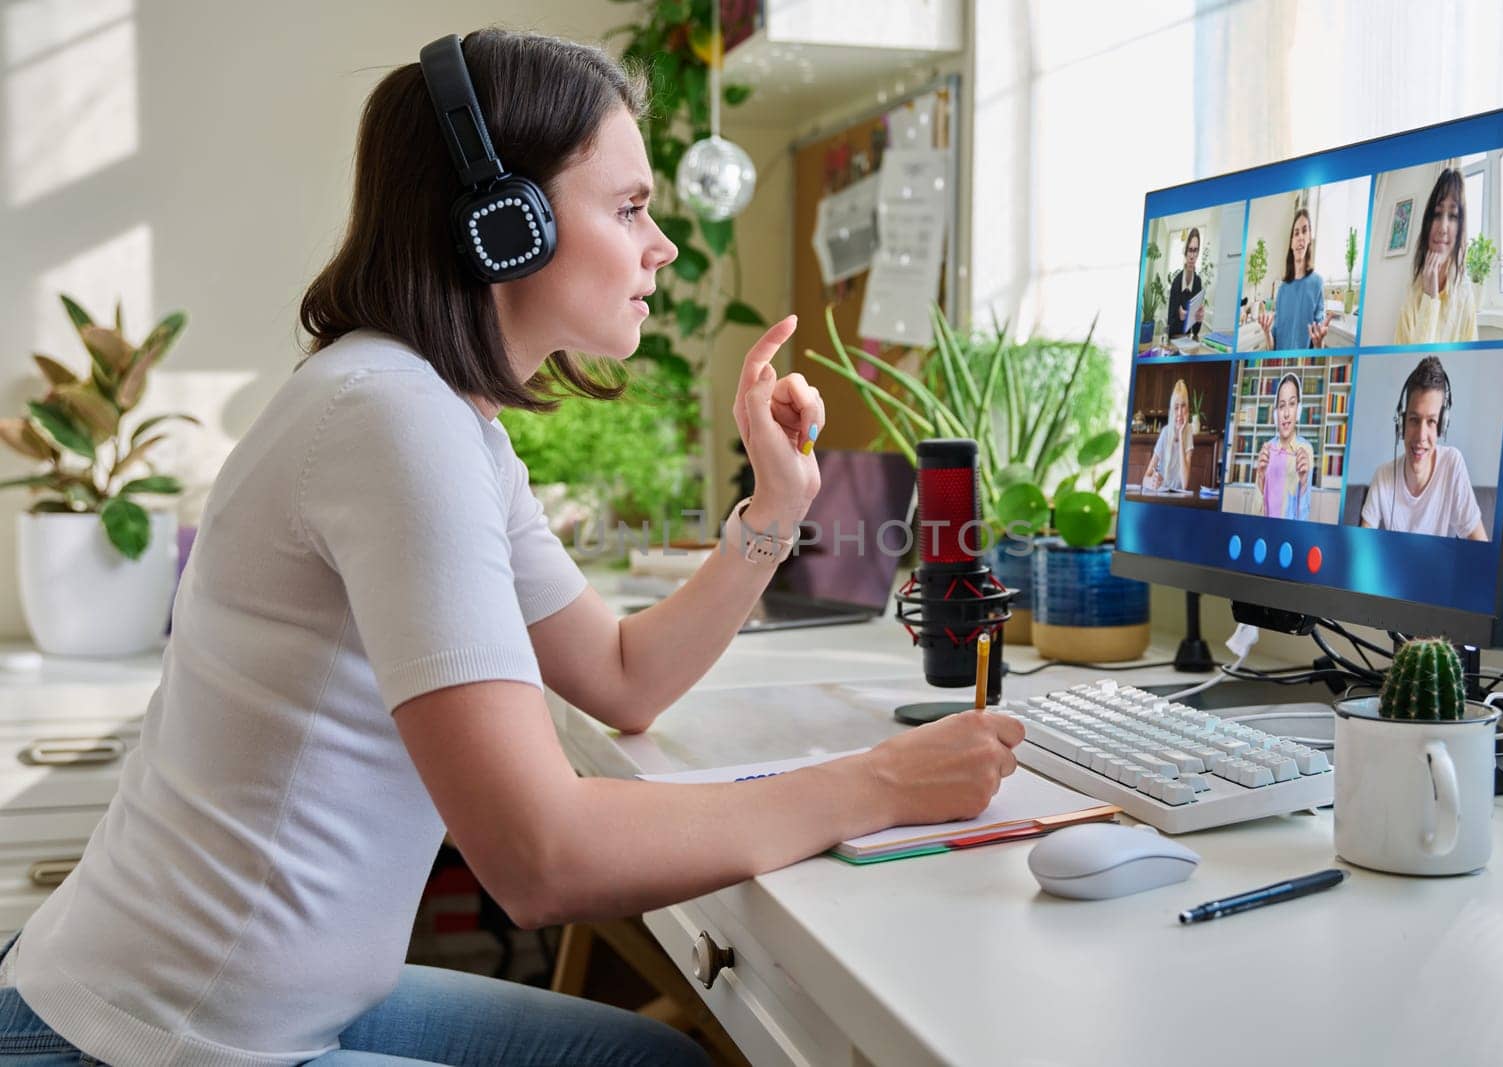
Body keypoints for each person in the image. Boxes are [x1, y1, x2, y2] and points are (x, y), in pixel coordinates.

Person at [0, 29, 1025, 1067]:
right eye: (628, 208)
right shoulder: (389, 419)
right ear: (505, 226)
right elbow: (539, 857)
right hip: (148, 1035)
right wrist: (881, 784)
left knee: (659, 1057)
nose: (659, 244)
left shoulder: (446, 422)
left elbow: (624, 677)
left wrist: (779, 501)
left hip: (250, 1004)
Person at [1360, 355, 1487, 539]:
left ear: (1442, 426)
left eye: (1432, 421)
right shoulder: (1383, 476)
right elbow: (1360, 547)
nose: (1421, 436)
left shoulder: (1452, 465)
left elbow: (1481, 548)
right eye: (1414, 420)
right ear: (1402, 423)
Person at [1393, 168, 1479, 344]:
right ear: (1427, 223)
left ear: (1461, 227)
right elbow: (1413, 365)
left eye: (1453, 216)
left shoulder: (1465, 293)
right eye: (1437, 214)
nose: (1443, 227)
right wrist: (1429, 298)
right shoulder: (1412, 292)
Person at [1258, 208, 1330, 350]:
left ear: (1309, 238)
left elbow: (1317, 346)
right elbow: (1272, 348)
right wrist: (1266, 332)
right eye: (1296, 233)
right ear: (1291, 243)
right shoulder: (1283, 290)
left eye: (1304, 231)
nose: (1300, 237)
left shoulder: (1317, 284)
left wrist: (1319, 343)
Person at [1254, 372, 1314, 520]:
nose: (1286, 413)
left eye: (1292, 404)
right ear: (1276, 414)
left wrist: (1304, 482)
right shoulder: (1267, 449)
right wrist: (1261, 477)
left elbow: (1304, 517)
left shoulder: (1306, 450)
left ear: (1298, 411)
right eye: (1281, 406)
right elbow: (1254, 513)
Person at [1142, 379, 1194, 492]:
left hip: (1177, 497)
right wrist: (1151, 482)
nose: (1180, 412)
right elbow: (1145, 479)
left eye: (1183, 406)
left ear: (1188, 408)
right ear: (1172, 410)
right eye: (1176, 407)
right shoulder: (1165, 432)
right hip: (1161, 493)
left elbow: (1185, 484)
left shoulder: (1189, 430)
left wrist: (1180, 435)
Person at [1166, 228, 1205, 340]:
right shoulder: (1176, 283)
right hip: (1174, 340)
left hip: (1188, 340)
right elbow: (1170, 327)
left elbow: (1196, 331)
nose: (1192, 256)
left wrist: (1199, 319)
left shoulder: (1198, 282)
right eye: (1190, 250)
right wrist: (1179, 317)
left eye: (1195, 250)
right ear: (1185, 252)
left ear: (1198, 253)